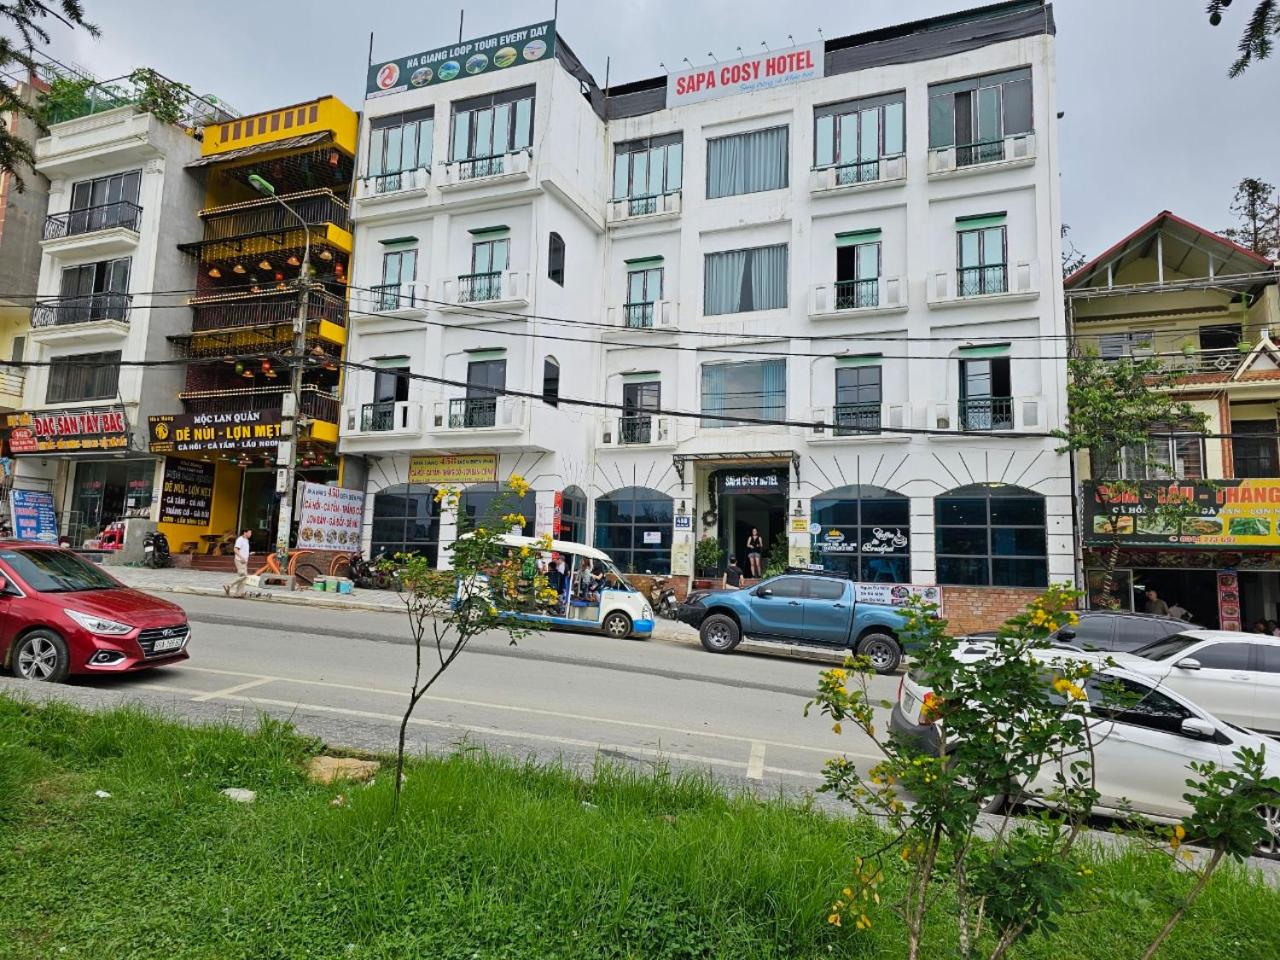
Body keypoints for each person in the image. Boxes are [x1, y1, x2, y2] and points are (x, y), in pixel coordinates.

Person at [224, 528, 252, 598]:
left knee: (243, 578)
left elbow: (243, 550)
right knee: (244, 576)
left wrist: (249, 554)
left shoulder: (246, 540)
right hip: (240, 560)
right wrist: (241, 557)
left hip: (244, 561)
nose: (250, 534)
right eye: (249, 533)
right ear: (245, 533)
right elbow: (235, 549)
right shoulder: (240, 539)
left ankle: (239, 593)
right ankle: (229, 585)